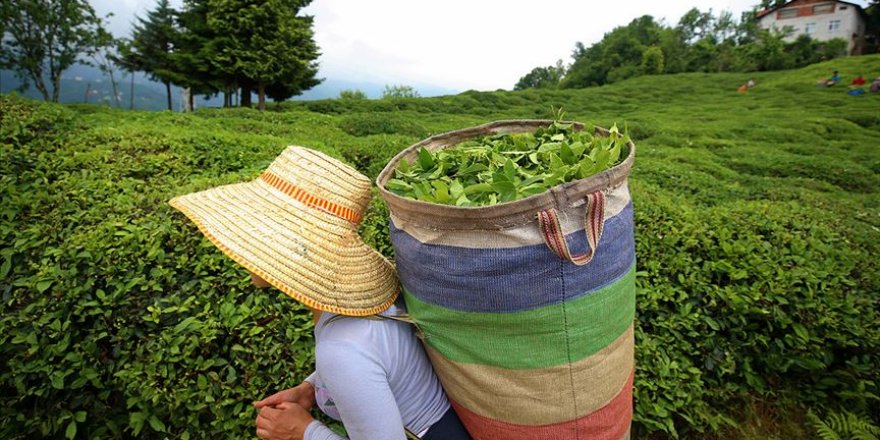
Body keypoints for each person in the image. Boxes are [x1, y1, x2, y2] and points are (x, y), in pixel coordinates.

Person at [169, 146, 471, 440]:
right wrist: (311, 389)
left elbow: (354, 358)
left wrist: (302, 431)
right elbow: (381, 363)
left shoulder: (341, 351)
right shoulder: (354, 309)